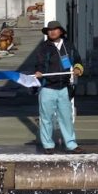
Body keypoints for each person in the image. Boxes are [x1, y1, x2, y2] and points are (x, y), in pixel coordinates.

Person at [33, 21, 85, 154]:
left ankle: (71, 144)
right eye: (49, 30)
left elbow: (78, 61)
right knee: (46, 118)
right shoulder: (43, 47)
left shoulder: (69, 46)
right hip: (47, 88)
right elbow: (39, 64)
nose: (52, 32)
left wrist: (78, 69)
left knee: (66, 118)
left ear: (61, 31)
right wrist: (38, 72)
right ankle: (48, 145)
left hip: (64, 88)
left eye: (55, 29)